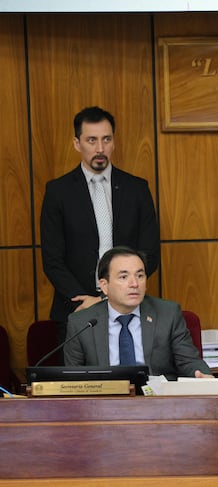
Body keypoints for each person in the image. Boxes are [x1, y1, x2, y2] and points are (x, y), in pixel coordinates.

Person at [40, 106, 160, 343]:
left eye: (106, 139)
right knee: (83, 381)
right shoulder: (58, 192)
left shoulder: (137, 189)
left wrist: (113, 297)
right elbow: (52, 259)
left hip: (129, 308)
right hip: (76, 310)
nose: (100, 149)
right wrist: (84, 299)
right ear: (77, 143)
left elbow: (150, 253)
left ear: (114, 142)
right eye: (91, 140)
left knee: (132, 379)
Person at [63, 246, 211, 379]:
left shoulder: (168, 314)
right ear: (104, 286)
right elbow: (73, 379)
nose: (134, 284)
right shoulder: (81, 323)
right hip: (103, 405)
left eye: (140, 276)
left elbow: (189, 361)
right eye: (124, 277)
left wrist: (202, 375)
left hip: (157, 403)